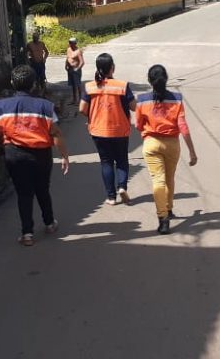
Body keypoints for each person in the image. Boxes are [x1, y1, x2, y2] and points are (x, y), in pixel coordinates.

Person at [0, 65, 70, 246]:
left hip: (14, 154)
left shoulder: (1, 106)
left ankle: (27, 233)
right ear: (34, 84)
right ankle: (50, 223)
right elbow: (56, 133)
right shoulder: (45, 106)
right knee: (43, 189)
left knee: (23, 193)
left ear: (12, 83)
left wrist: (2, 147)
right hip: (41, 155)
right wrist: (64, 156)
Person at [134, 65, 198, 234]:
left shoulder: (141, 100)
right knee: (169, 179)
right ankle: (168, 209)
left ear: (149, 80)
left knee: (158, 181)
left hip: (151, 143)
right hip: (172, 144)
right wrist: (192, 151)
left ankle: (163, 219)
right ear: (166, 79)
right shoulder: (177, 99)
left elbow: (138, 125)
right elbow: (183, 126)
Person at [79, 53, 136, 206]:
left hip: (98, 130)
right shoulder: (122, 85)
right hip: (120, 130)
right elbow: (134, 107)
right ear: (112, 68)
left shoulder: (90, 86)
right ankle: (122, 187)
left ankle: (111, 197)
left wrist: (92, 116)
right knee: (122, 160)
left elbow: (82, 109)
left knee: (106, 162)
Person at [65, 37, 85, 104]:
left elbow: (82, 62)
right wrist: (66, 65)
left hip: (76, 69)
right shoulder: (68, 49)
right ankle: (74, 99)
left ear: (75, 43)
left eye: (71, 43)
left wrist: (77, 68)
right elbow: (67, 58)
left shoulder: (78, 51)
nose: (70, 44)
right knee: (73, 85)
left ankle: (80, 100)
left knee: (78, 85)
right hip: (70, 69)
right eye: (69, 42)